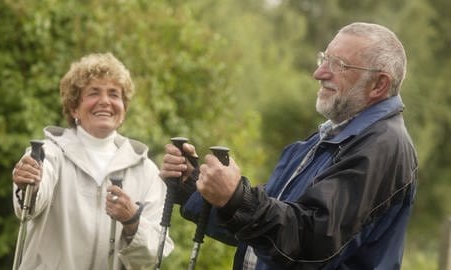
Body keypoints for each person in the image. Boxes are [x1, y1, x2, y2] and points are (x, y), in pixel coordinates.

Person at [160, 22, 418, 269]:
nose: (319, 73)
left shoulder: (381, 146)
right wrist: (196, 186)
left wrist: (237, 199)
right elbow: (263, 233)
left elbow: (310, 245)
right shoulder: (325, 140)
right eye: (323, 59)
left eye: (338, 65)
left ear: (379, 84)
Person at [11, 52, 173, 269]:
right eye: (93, 93)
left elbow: (154, 256)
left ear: (123, 110)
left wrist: (132, 221)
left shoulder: (146, 171)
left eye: (114, 95)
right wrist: (28, 183)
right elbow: (28, 205)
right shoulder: (46, 154)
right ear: (74, 107)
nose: (105, 101)